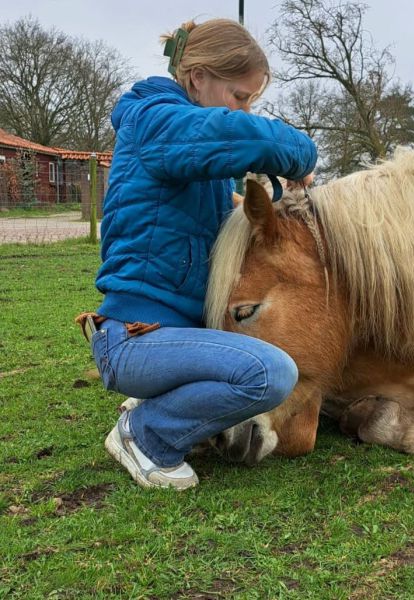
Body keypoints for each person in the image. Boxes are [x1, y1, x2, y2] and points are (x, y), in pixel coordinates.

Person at [76, 18, 317, 490]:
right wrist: (300, 156)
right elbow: (239, 136)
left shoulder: (191, 158)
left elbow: (224, 166)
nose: (245, 109)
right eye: (240, 96)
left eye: (251, 101)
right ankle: (145, 435)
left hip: (177, 335)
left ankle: (164, 413)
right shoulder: (155, 122)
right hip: (136, 338)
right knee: (271, 371)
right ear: (199, 77)